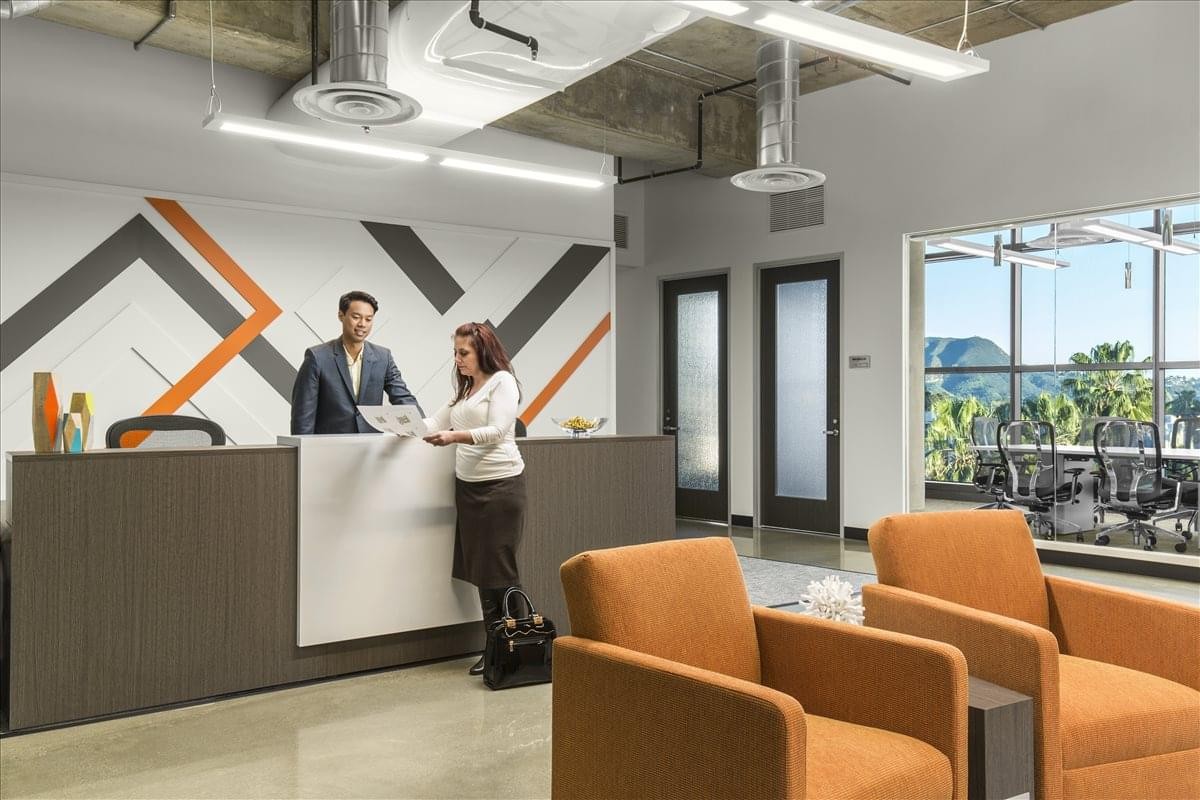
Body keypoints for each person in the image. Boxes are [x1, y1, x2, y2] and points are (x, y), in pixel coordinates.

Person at [422, 322, 525, 677]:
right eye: (455, 352)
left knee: (499, 569)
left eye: (463, 353)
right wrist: (397, 424)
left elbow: (498, 431)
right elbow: (432, 421)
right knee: (481, 570)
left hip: (500, 487)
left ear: (482, 351)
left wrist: (454, 437)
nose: (457, 359)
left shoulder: (503, 382)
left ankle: (514, 643)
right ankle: (494, 644)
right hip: (469, 489)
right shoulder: (465, 390)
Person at [290, 291, 422, 435]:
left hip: (370, 448)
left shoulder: (383, 357)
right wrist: (303, 452)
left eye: (368, 319)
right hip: (328, 448)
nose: (362, 324)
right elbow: (303, 417)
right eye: (356, 317)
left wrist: (423, 427)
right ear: (341, 315)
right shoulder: (317, 357)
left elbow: (402, 397)